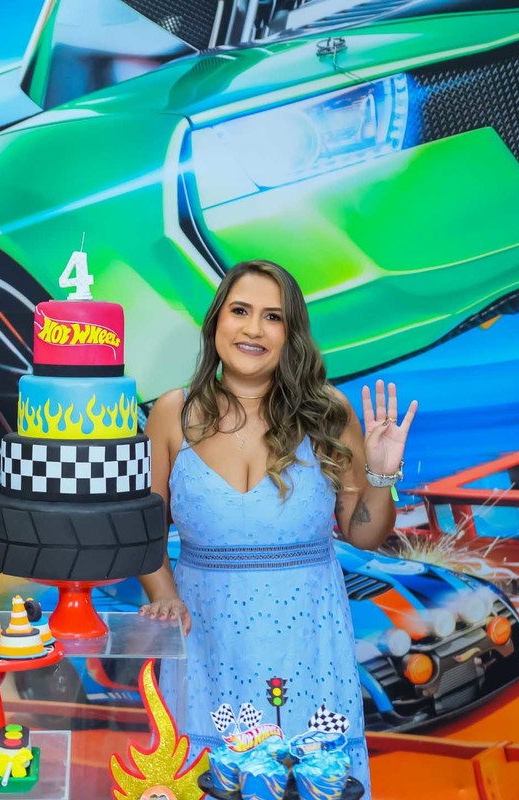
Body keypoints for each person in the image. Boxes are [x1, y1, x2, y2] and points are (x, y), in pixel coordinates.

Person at [139, 260, 418, 792]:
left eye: (273, 317)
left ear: (291, 334)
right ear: (215, 321)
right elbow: (144, 528)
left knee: (306, 780)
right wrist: (164, 594)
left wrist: (382, 473)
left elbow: (364, 534)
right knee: (209, 779)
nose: (253, 329)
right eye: (240, 311)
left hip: (308, 644)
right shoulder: (174, 412)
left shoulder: (327, 411)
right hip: (205, 642)